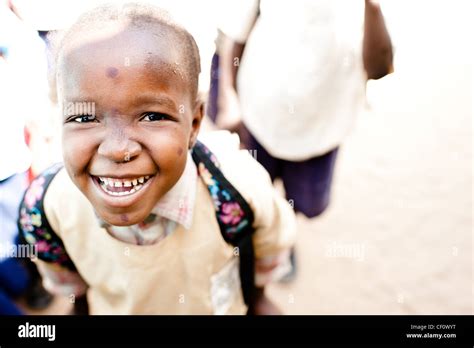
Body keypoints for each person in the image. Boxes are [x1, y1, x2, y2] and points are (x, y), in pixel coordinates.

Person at [18, 3, 296, 315]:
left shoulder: (240, 189)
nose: (117, 150)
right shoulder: (47, 208)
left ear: (193, 124)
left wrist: (258, 300)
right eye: (84, 118)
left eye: (152, 116)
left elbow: (259, 279)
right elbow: (75, 297)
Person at [215, 0, 393, 279]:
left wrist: (372, 7)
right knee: (249, 187)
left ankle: (282, 236)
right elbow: (235, 30)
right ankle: (247, 242)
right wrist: (229, 97)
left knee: (301, 201)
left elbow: (379, 67)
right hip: (260, 113)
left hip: (321, 130)